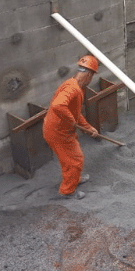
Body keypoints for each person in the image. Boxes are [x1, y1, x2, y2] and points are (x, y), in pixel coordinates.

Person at [43, 55, 100, 199]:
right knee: (75, 159)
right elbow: (58, 105)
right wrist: (71, 121)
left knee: (69, 159)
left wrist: (88, 127)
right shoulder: (73, 89)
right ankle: (67, 192)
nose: (91, 79)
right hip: (58, 132)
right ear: (88, 74)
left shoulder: (75, 86)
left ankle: (74, 179)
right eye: (92, 76)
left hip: (61, 130)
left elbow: (75, 113)